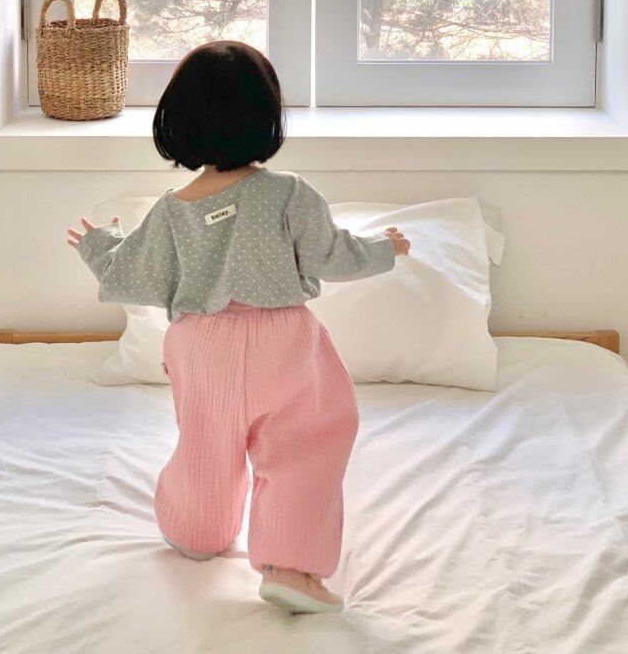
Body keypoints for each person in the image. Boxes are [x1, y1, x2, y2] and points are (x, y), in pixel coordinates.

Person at [68, 41, 410, 614]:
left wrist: (98, 246)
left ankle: (196, 532)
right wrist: (386, 248)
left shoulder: (172, 208)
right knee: (309, 440)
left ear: (179, 120)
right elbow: (333, 256)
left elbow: (133, 273)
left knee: (206, 438)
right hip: (282, 339)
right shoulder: (288, 193)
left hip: (201, 343)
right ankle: (290, 566)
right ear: (266, 115)